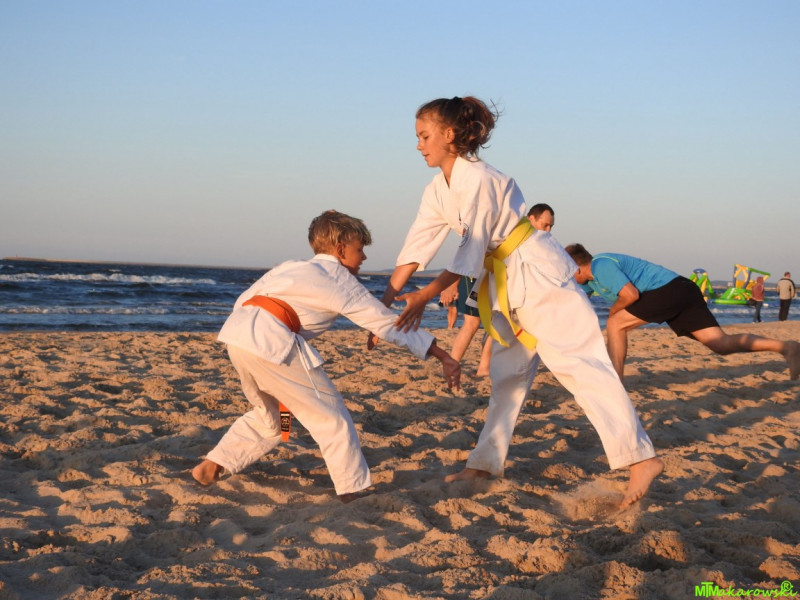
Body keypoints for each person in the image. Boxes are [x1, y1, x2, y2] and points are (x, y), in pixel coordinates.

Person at [374, 96, 662, 508]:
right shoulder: (438, 189)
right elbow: (416, 245)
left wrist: (424, 294)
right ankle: (484, 464)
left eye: (424, 136)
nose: (418, 145)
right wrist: (383, 305)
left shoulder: (481, 178)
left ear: (449, 135)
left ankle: (642, 458)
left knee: (581, 364)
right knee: (508, 377)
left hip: (537, 274)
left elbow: (470, 250)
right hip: (505, 283)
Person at [192, 210, 461, 503]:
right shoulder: (337, 278)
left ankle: (213, 465)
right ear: (340, 249)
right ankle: (351, 491)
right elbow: (387, 324)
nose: (364, 257)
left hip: (238, 337)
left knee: (272, 419)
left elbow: (244, 300)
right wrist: (442, 355)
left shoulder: (291, 267)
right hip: (273, 342)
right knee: (331, 418)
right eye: (360, 249)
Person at [564, 244, 800, 381]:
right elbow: (577, 303)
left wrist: (613, 311)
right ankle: (786, 347)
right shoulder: (590, 281)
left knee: (615, 323)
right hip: (683, 291)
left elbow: (631, 295)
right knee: (721, 344)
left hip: (670, 290)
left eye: (567, 269)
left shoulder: (601, 265)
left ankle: (616, 380)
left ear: (576, 266)